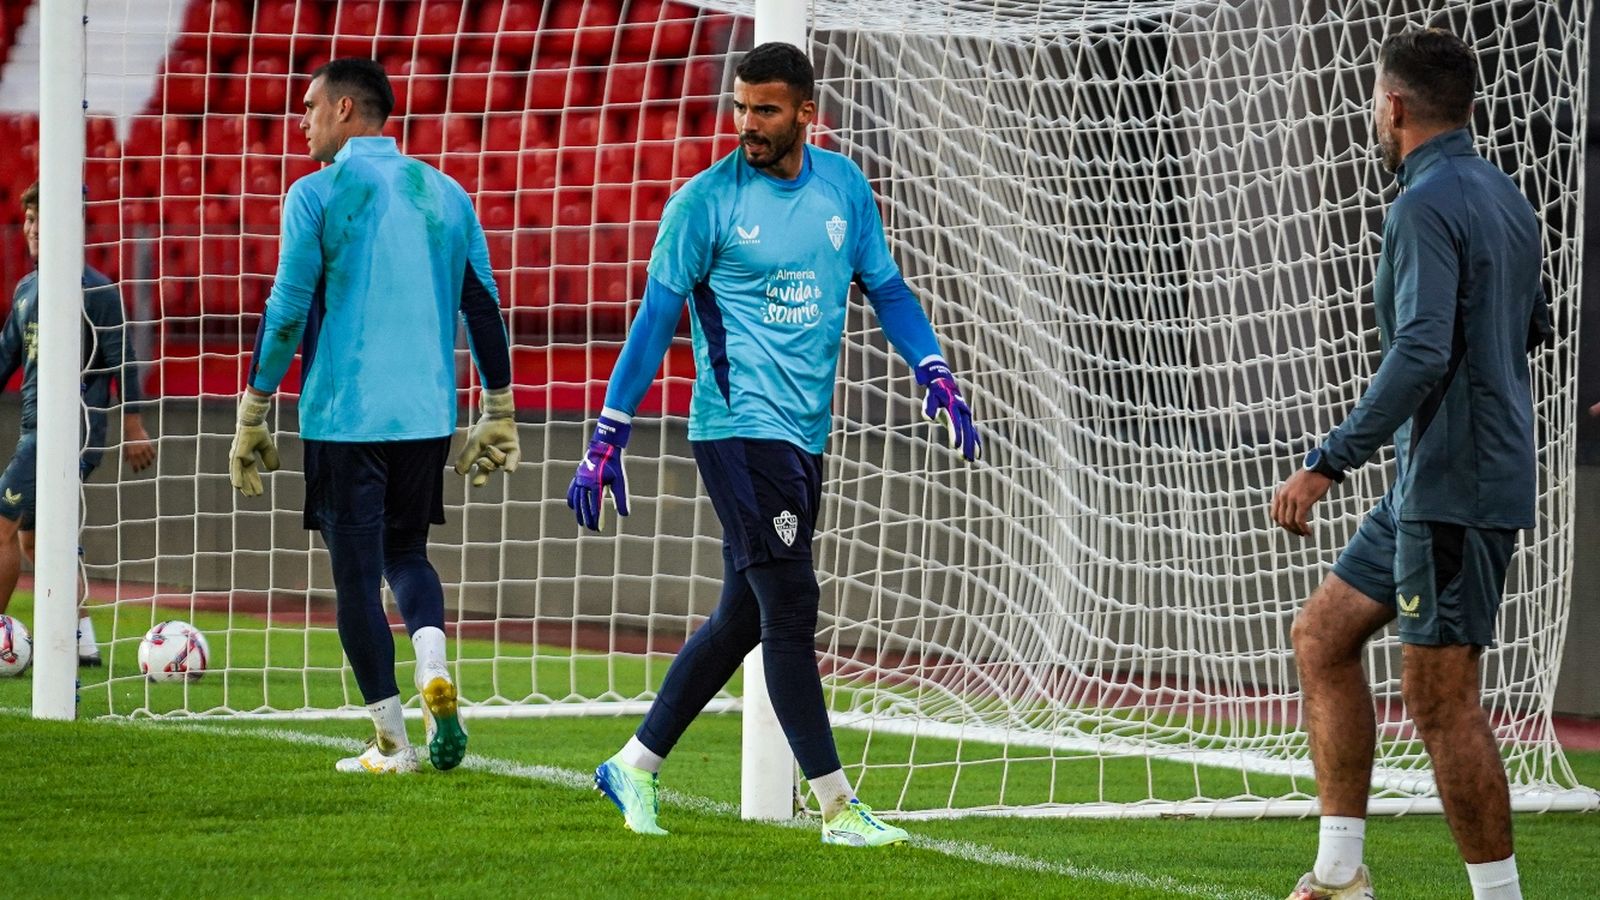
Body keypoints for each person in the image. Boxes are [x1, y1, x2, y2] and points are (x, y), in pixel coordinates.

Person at [569, 42, 981, 847]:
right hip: (737, 427)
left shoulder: (844, 189)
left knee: (741, 619)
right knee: (790, 606)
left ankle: (634, 765)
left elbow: (888, 290)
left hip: (804, 433)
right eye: (740, 107)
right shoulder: (703, 203)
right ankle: (837, 809)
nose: (748, 124)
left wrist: (933, 367)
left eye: (765, 109)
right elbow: (655, 323)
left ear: (804, 114)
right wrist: (607, 435)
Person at [1269, 28, 1547, 900]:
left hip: (1454, 487)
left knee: (1441, 700)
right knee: (1323, 636)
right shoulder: (1505, 196)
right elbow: (1531, 327)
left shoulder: (1423, 204)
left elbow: (1423, 350)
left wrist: (1327, 460)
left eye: (1373, 99)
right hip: (1432, 479)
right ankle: (1342, 873)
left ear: (1393, 105)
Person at [228, 58, 518, 774]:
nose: (301, 120)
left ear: (347, 112)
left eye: (309, 107)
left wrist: (256, 406)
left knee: (356, 580)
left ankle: (393, 742)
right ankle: (432, 666)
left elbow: (288, 310)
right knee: (407, 553)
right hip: (427, 415)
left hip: (345, 416)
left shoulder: (316, 194)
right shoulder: (447, 193)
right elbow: (482, 303)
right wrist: (500, 405)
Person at [0, 181, 155, 665]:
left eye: (40, 219)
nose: (31, 229)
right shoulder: (28, 289)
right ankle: (82, 637)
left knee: (1, 524)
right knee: (36, 538)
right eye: (26, 220)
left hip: (71, 429)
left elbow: (122, 362)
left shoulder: (97, 291)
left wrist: (133, 426)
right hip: (35, 429)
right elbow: (6, 355)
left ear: (68, 223)